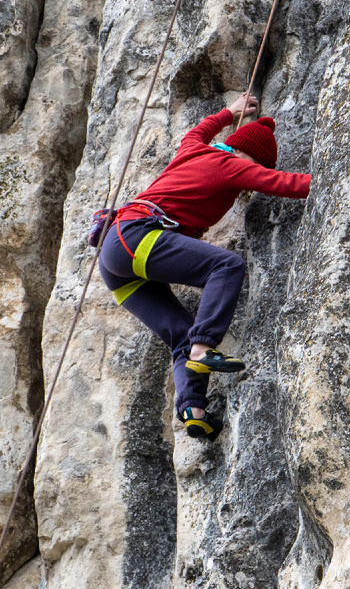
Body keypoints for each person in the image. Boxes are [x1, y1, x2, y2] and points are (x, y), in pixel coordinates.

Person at [98, 93, 310, 439]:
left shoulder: (194, 150)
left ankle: (193, 410)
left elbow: (197, 130)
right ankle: (203, 347)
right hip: (135, 237)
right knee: (226, 266)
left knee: (180, 333)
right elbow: (282, 183)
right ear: (250, 158)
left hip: (115, 254)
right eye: (257, 166)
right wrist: (328, 182)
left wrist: (231, 112)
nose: (253, 177)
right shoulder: (233, 166)